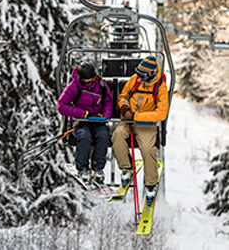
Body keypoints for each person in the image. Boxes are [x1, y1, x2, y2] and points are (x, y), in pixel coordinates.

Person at [111, 56, 169, 203]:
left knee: (147, 149)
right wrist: (123, 107)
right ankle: (126, 168)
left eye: (143, 74)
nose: (140, 77)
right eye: (139, 73)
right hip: (128, 119)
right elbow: (124, 95)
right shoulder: (135, 80)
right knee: (117, 135)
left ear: (151, 74)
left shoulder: (160, 87)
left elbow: (161, 113)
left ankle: (150, 184)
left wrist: (136, 116)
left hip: (145, 124)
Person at [57, 62, 113, 184]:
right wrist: (82, 113)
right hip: (80, 121)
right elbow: (61, 106)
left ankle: (98, 168)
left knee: (103, 136)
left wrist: (105, 115)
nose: (88, 82)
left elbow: (108, 101)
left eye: (90, 80)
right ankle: (82, 168)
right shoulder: (74, 87)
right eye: (85, 80)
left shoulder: (101, 85)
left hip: (97, 120)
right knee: (85, 136)